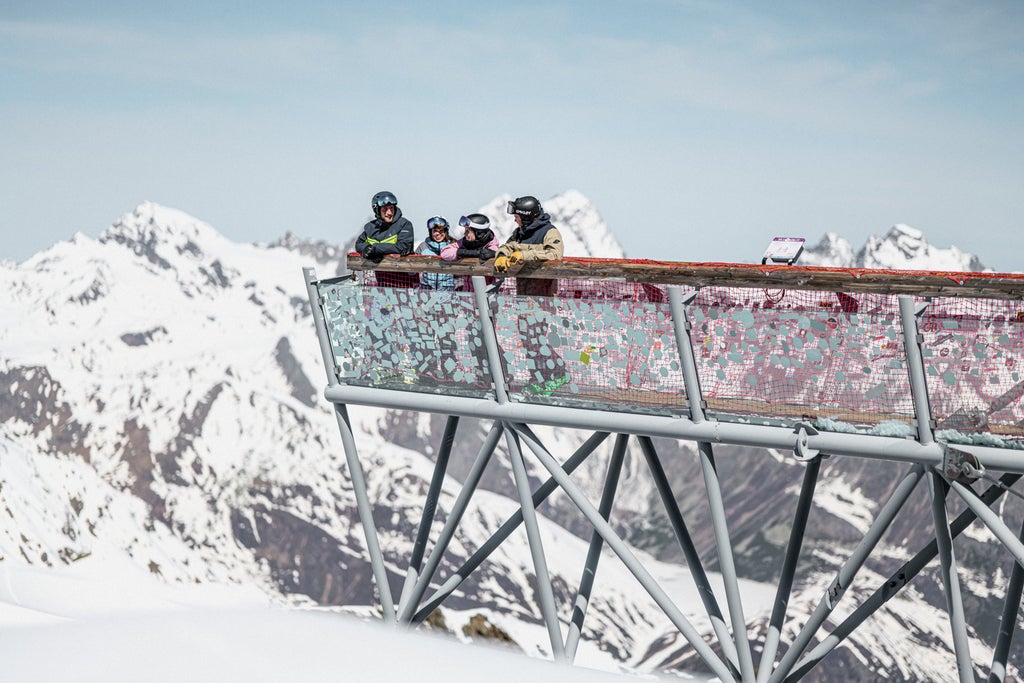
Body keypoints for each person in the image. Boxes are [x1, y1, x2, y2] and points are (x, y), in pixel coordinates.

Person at [493, 196, 569, 395]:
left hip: (541, 296)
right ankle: (539, 377)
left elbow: (554, 253)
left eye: (517, 216)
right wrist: (501, 256)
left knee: (537, 338)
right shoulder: (519, 233)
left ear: (526, 216)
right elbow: (508, 246)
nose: (514, 220)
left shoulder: (549, 232)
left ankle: (557, 374)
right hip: (525, 295)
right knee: (528, 338)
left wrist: (524, 254)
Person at [355, 190, 416, 288]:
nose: (389, 212)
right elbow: (359, 244)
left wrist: (375, 250)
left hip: (405, 283)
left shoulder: (404, 224)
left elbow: (403, 246)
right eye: (385, 209)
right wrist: (367, 251)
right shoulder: (370, 227)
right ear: (377, 210)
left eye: (391, 208)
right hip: (383, 283)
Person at [441, 213, 500, 290]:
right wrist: (467, 253)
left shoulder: (492, 247)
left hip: (485, 297)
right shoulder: (465, 242)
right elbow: (445, 253)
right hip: (467, 297)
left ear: (479, 233)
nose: (465, 233)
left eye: (468, 231)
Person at [416, 216, 457, 290]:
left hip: (447, 290)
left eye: (441, 230)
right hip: (426, 289)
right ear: (430, 232)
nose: (438, 234)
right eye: (435, 231)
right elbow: (412, 267)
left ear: (445, 232)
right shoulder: (423, 247)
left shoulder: (452, 247)